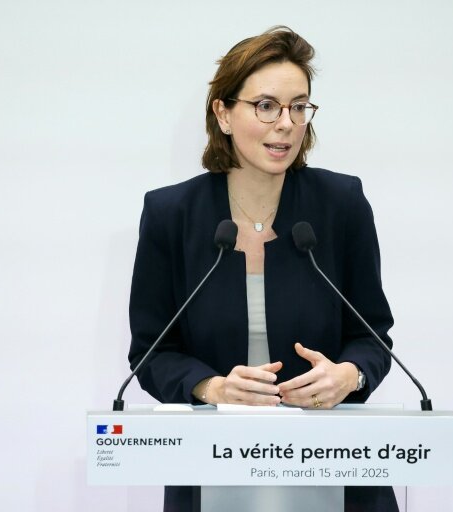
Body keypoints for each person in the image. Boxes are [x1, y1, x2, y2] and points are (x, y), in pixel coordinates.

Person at [128, 26, 399, 512]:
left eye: (299, 106)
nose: (287, 124)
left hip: (335, 473)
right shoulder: (173, 214)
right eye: (267, 105)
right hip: (214, 475)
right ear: (223, 113)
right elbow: (152, 352)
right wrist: (211, 388)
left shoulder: (341, 204)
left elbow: (373, 337)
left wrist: (350, 375)